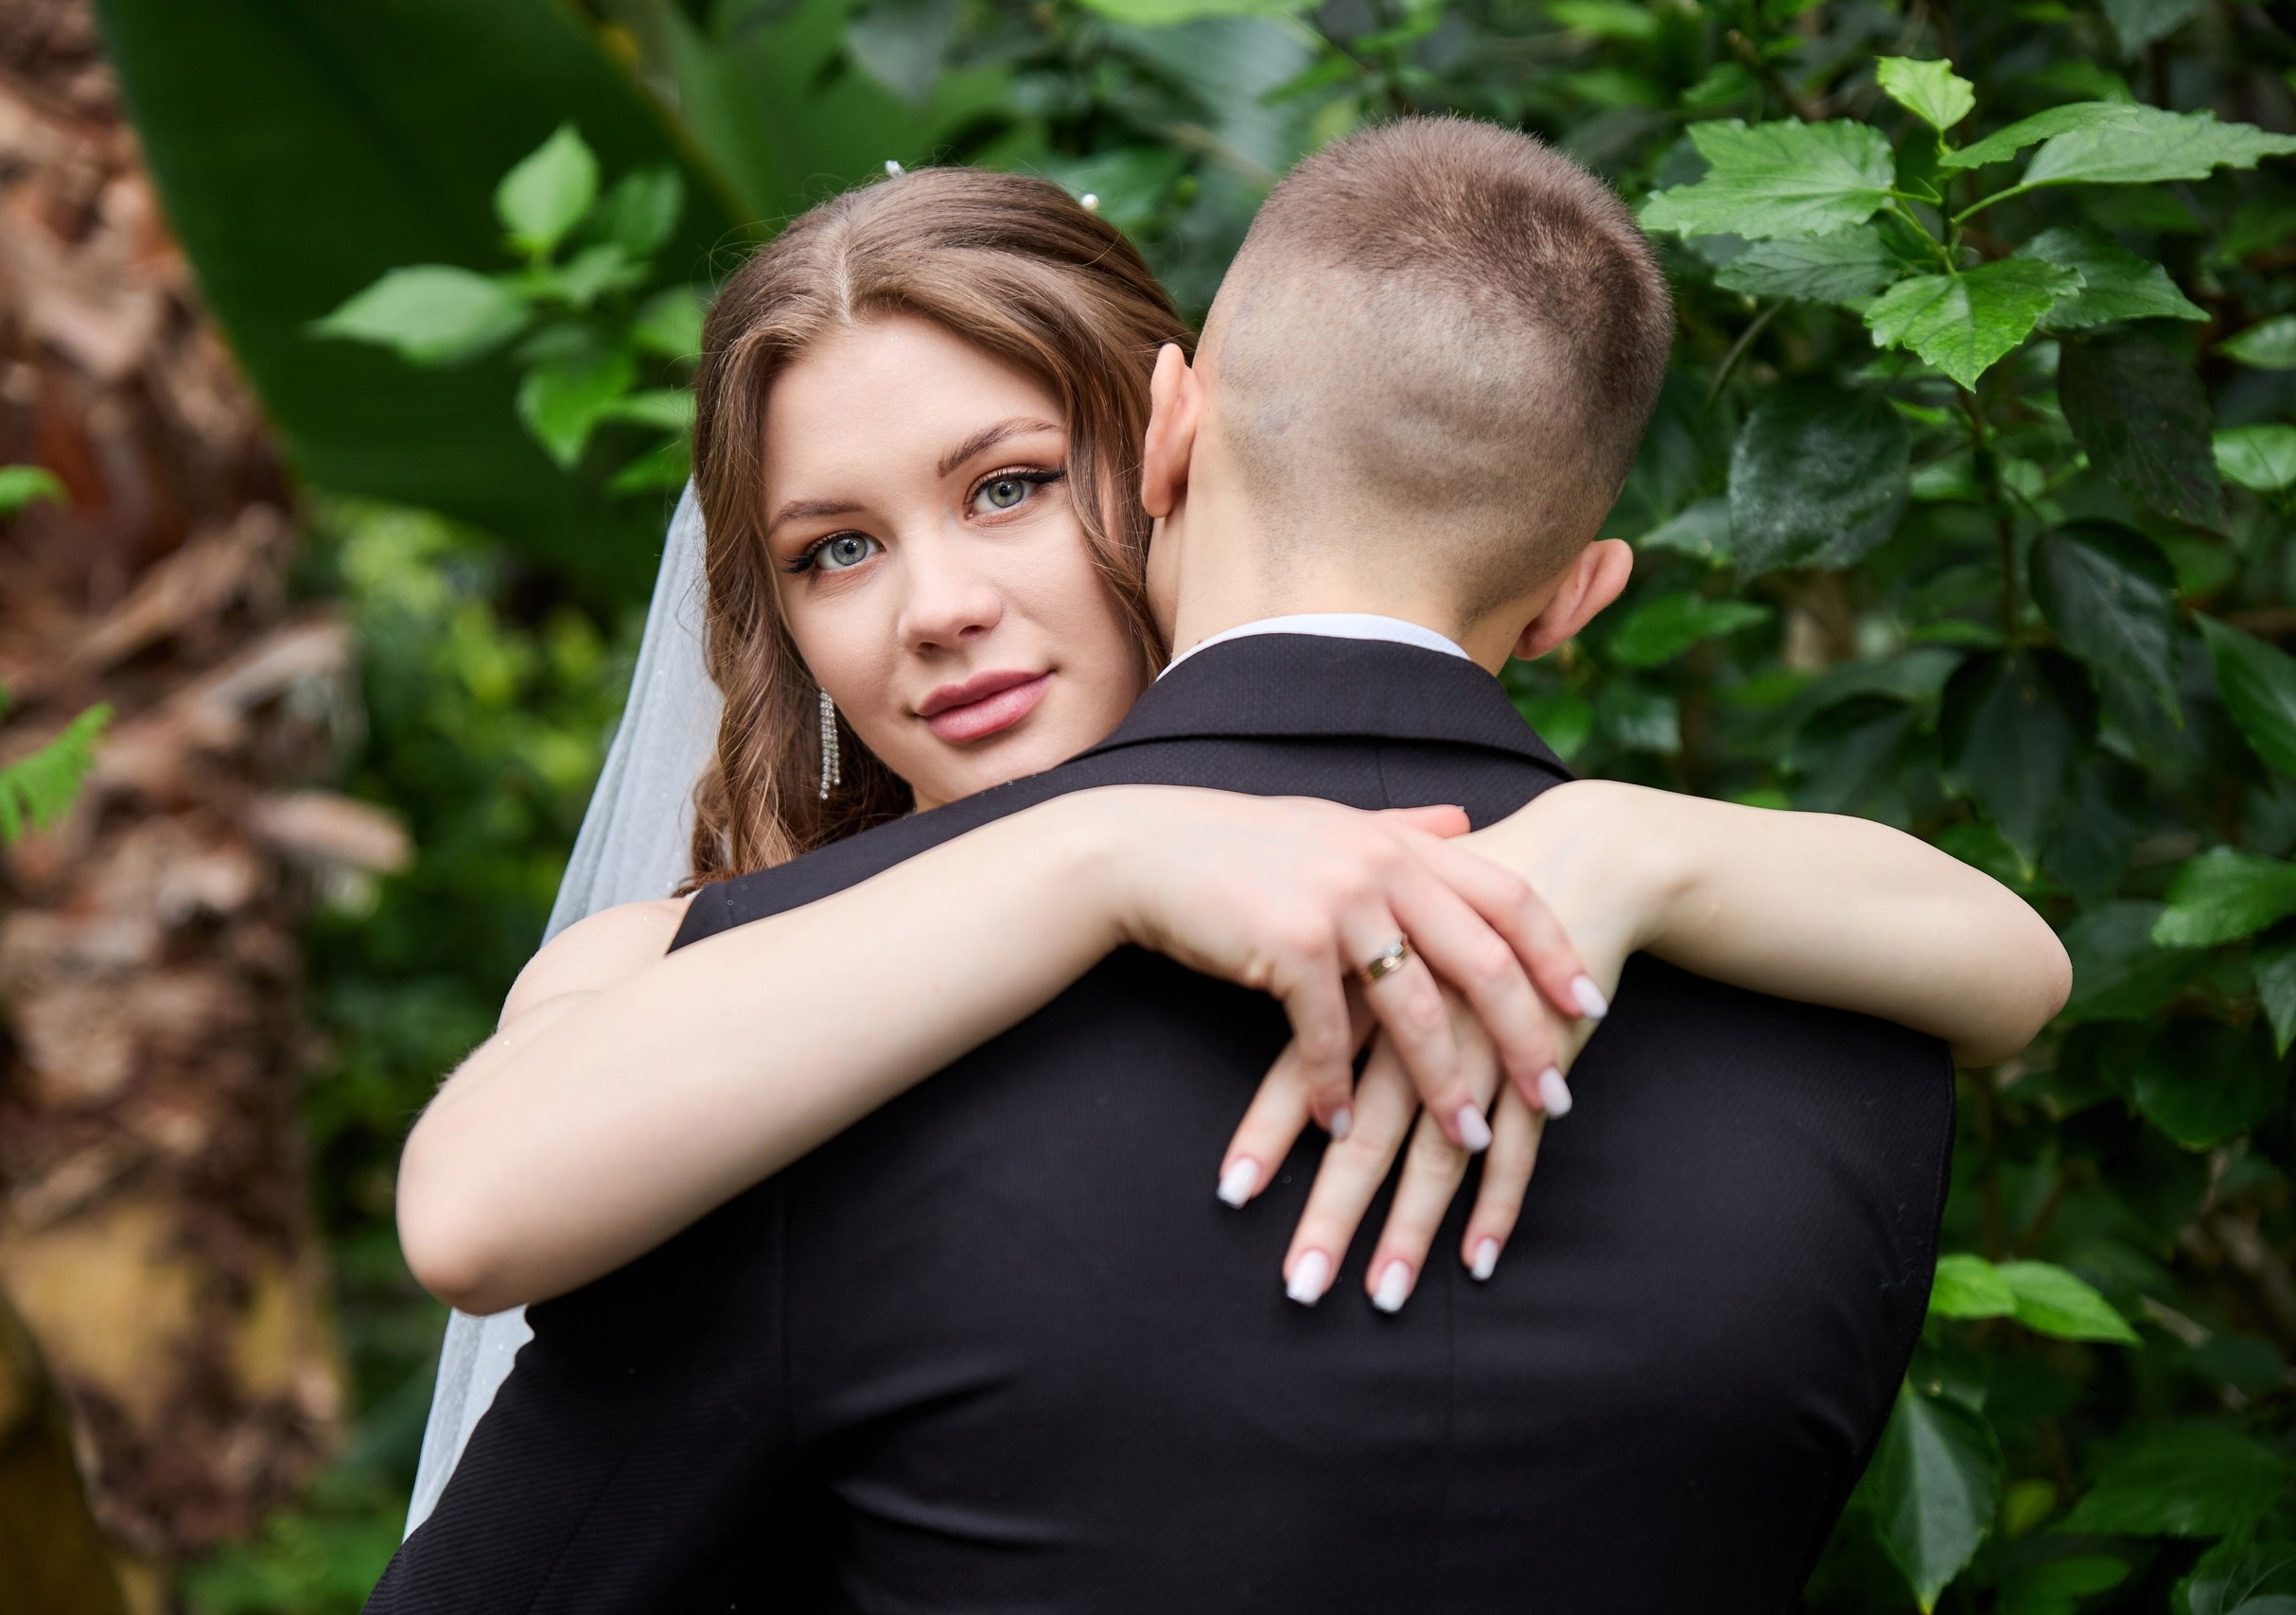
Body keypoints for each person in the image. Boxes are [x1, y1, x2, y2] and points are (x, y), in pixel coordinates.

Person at [374, 120, 2064, 1611]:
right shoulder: (725, 1007)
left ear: (1171, 436)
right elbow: (471, 1208)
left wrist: (1643, 848)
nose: (939, 607)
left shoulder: (1678, 905)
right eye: (835, 551)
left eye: (1013, 486)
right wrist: (1105, 850)